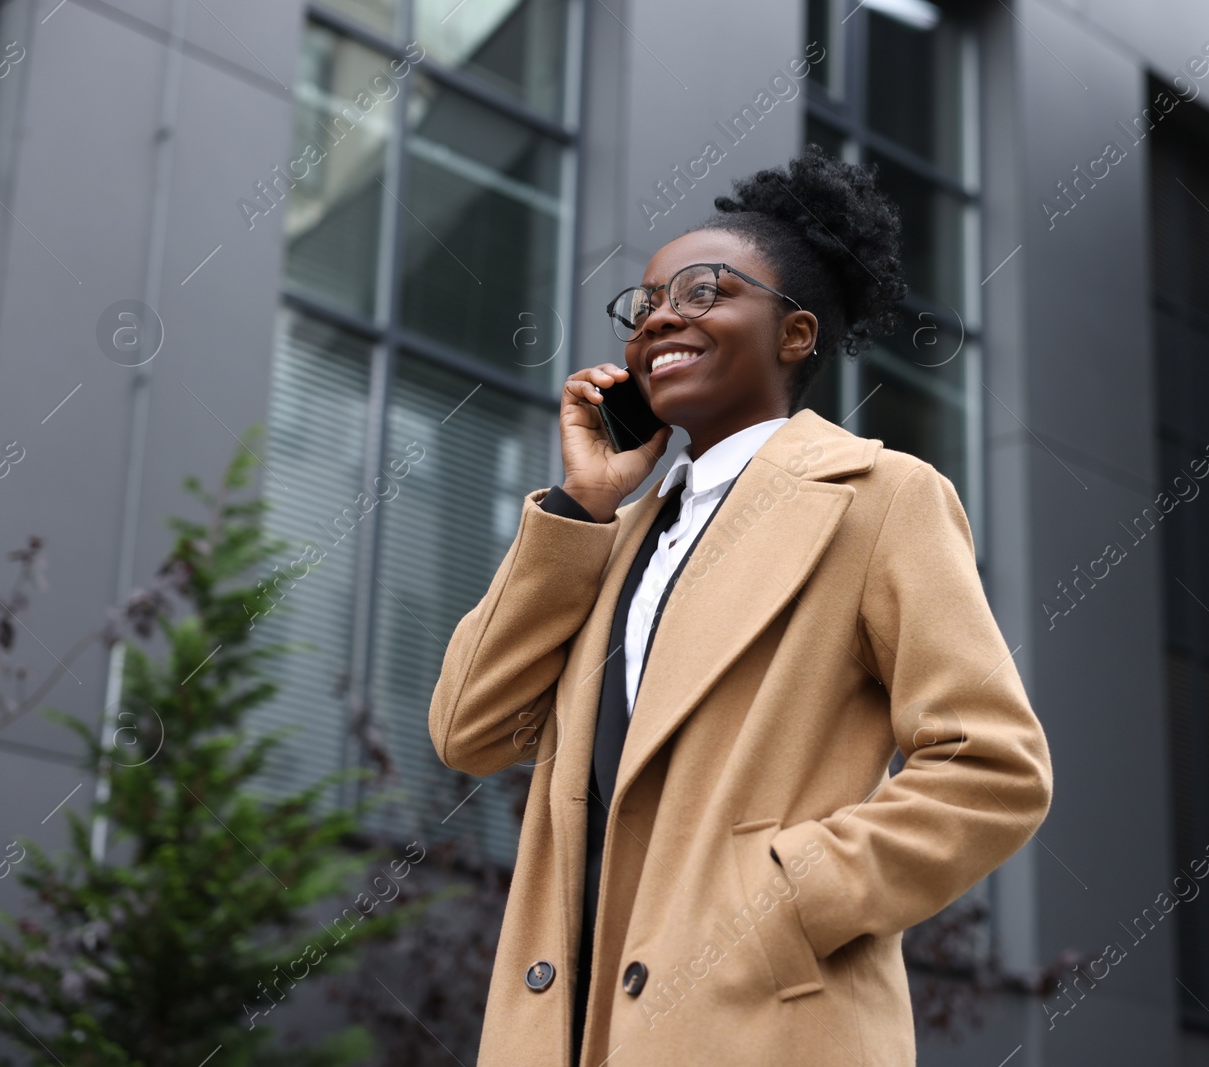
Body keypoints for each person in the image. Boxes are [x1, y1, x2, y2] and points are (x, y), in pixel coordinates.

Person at [428, 145, 1053, 1066]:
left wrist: (784, 897)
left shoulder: (880, 496)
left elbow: (992, 766)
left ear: (795, 334)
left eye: (702, 291)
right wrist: (580, 507)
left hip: (757, 1022)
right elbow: (468, 728)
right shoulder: (619, 534)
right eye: (643, 307)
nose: (659, 321)